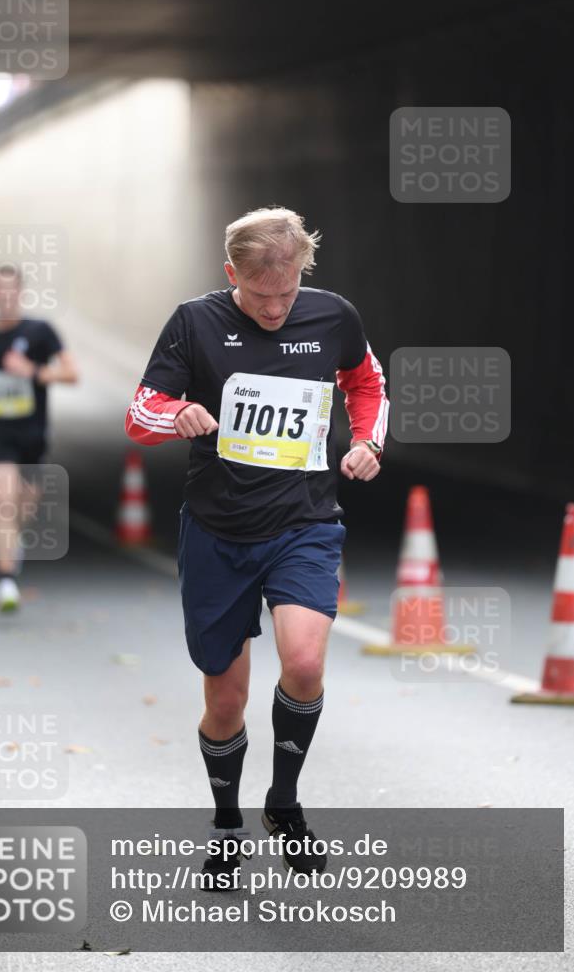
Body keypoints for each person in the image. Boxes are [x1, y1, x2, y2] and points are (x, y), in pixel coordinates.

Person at [125, 208, 388, 885]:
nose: (274, 307)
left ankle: (283, 802)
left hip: (304, 521)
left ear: (304, 272)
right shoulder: (195, 322)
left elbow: (365, 382)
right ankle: (224, 822)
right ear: (230, 274)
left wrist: (366, 441)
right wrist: (174, 413)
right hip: (217, 529)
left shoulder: (332, 317)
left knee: (303, 662)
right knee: (225, 703)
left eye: (288, 291)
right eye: (259, 294)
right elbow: (141, 409)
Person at [0, 264, 78, 612]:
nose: (6, 296)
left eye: (12, 289)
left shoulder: (41, 331)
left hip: (32, 432)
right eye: (0, 289)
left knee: (23, 505)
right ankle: (6, 582)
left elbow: (72, 373)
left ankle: (14, 543)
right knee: (4, 499)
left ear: (21, 293)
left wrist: (33, 371)